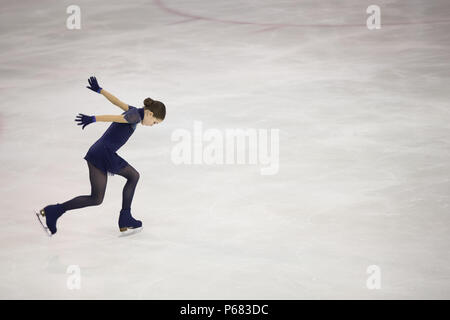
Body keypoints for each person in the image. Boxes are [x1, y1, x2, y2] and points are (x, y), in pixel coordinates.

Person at [37, 76, 166, 236]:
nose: (153, 125)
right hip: (104, 153)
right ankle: (125, 218)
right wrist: (93, 118)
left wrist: (100, 90)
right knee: (134, 176)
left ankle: (53, 211)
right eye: (155, 122)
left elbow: (117, 101)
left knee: (96, 198)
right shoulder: (134, 116)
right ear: (150, 113)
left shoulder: (135, 112)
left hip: (98, 152)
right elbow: (116, 117)